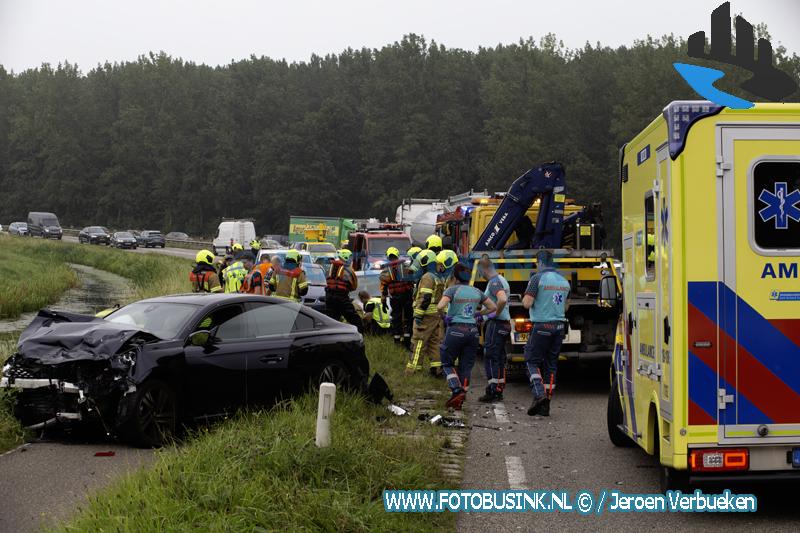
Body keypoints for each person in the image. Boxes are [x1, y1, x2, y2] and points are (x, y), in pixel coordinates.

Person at [437, 262, 497, 409]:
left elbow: (440, 306)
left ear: (455, 277)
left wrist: (444, 316)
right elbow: (493, 307)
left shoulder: (452, 290)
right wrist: (478, 314)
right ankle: (461, 397)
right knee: (466, 366)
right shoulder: (477, 291)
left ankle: (456, 389)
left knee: (447, 362)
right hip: (472, 332)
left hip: (456, 330)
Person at [522, 249, 571, 417]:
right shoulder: (564, 281)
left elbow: (527, 303)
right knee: (551, 364)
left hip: (541, 326)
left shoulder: (537, 278)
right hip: (558, 327)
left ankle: (539, 394)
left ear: (539, 262)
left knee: (531, 362)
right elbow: (566, 307)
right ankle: (546, 405)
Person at [406, 249, 451, 375]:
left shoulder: (427, 277)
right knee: (435, 342)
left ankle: (413, 369)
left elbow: (425, 297)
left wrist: (418, 314)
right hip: (437, 316)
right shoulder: (439, 277)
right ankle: (437, 368)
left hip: (426, 316)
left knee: (418, 341)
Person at [477, 256, 512, 402]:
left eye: (480, 272)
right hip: (504, 323)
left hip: (497, 324)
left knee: (491, 356)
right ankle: (498, 388)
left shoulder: (494, 282)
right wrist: (480, 314)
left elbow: (502, 299)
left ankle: (492, 390)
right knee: (499, 357)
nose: (480, 275)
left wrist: (494, 314)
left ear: (483, 270)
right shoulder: (501, 280)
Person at [379, 246, 415, 347]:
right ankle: (407, 340)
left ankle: (397, 341)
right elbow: (413, 279)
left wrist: (383, 301)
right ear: (397, 255)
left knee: (396, 318)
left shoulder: (386, 271)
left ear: (388, 257)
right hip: (407, 296)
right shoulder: (406, 266)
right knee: (408, 317)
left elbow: (383, 287)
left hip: (395, 298)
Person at [324, 249, 362, 332]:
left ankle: (330, 335)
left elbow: (327, 281)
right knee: (354, 318)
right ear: (346, 257)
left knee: (331, 319)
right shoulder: (349, 269)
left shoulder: (330, 267)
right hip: (341, 297)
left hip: (329, 296)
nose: (351, 260)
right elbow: (354, 286)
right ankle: (360, 334)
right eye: (350, 257)